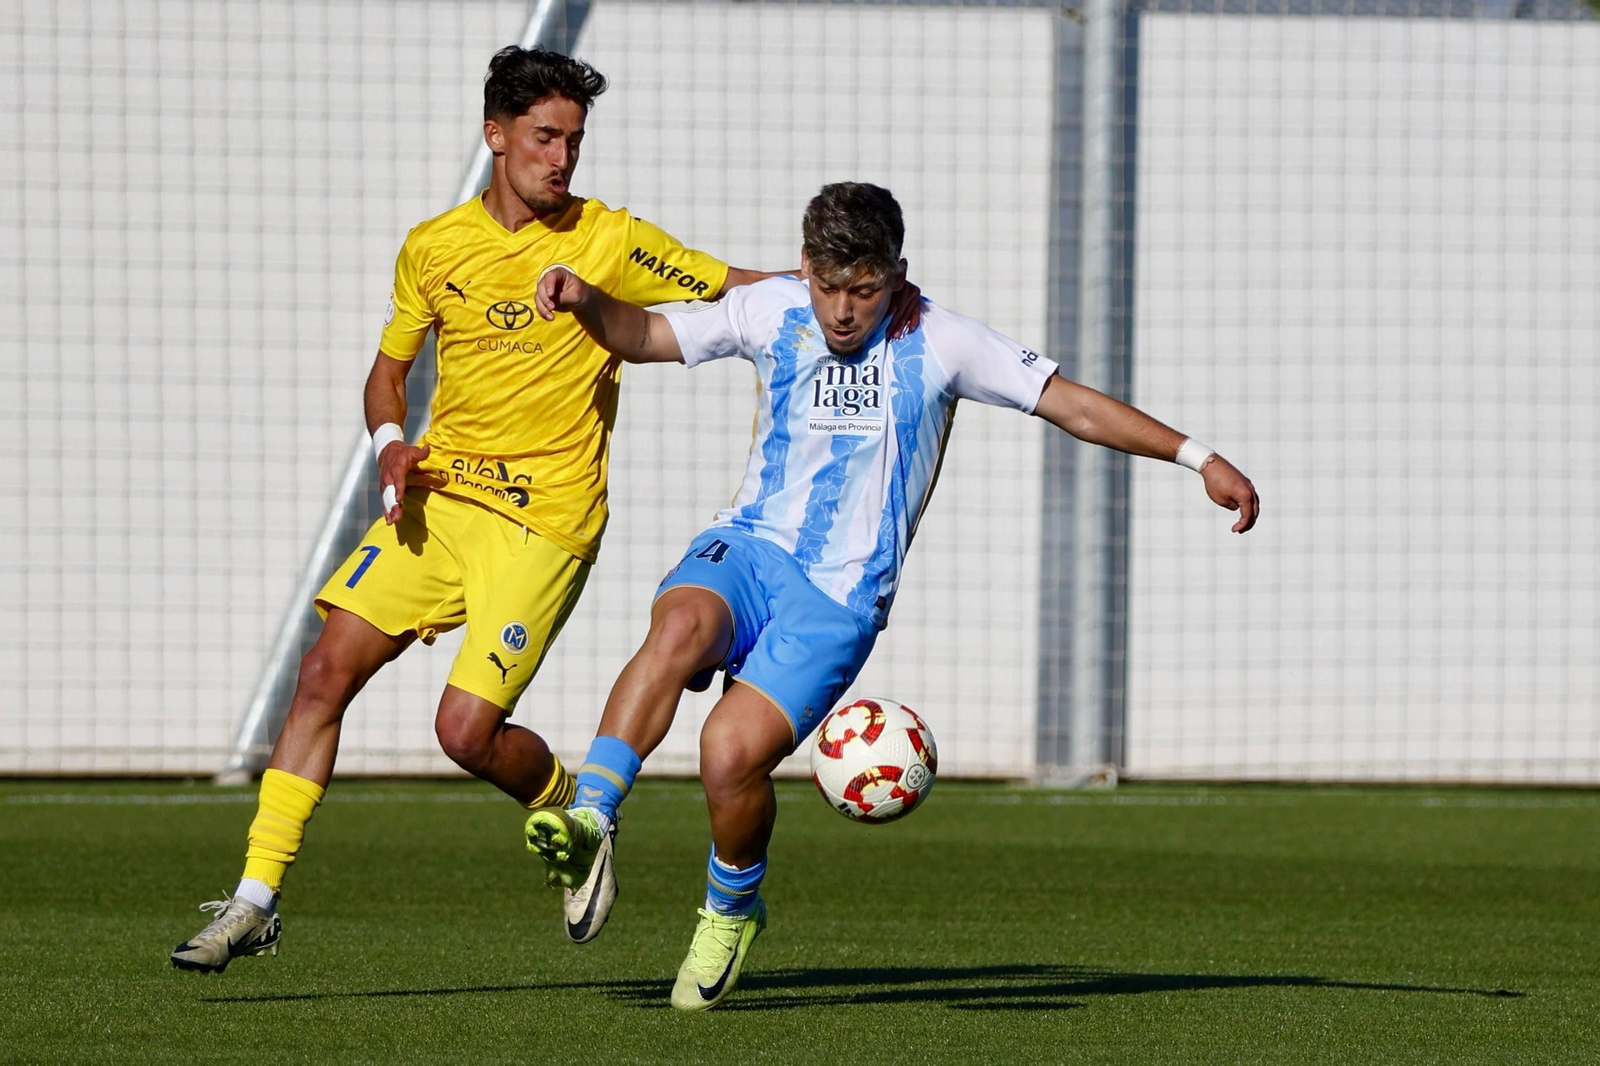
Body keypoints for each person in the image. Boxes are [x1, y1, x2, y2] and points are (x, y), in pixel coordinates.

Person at [169, 47, 917, 974]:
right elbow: (388, 373)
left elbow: (740, 288)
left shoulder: (608, 239)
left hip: (543, 523)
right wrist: (388, 442)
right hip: (438, 502)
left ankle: (571, 805)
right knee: (323, 672)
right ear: (497, 135)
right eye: (544, 137)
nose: (562, 159)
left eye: (574, 140)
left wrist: (870, 291)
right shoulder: (433, 247)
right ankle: (253, 899)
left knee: (462, 733)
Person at [522, 181, 1261, 1010]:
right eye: (828, 286)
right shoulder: (770, 308)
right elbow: (645, 334)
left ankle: (731, 908)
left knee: (728, 758)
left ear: (897, 276)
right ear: (804, 267)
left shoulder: (942, 340)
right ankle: (591, 816)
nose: (842, 310)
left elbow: (1074, 406)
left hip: (839, 598)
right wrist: (588, 302)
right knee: (681, 622)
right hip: (753, 544)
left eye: (864, 289)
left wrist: (1199, 458)